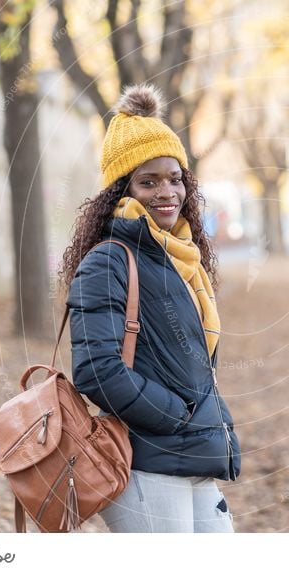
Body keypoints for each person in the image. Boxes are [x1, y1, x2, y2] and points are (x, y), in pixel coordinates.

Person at [58, 83, 241, 533]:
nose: (167, 191)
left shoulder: (180, 259)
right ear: (123, 189)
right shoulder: (108, 261)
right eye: (149, 180)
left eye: (175, 178)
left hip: (193, 454)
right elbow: (96, 369)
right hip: (146, 463)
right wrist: (174, 415)